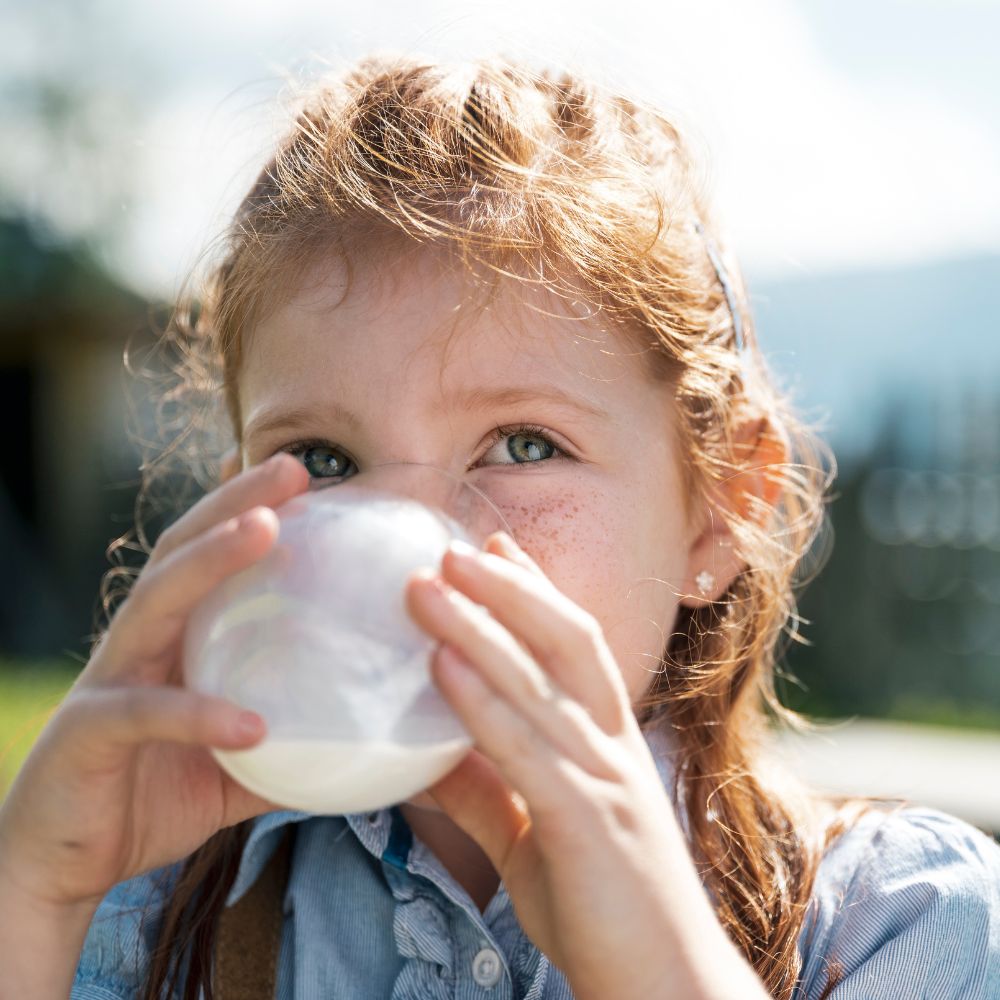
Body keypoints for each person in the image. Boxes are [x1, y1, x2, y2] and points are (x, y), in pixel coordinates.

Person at [1, 52, 998, 1000]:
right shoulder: (143, 913)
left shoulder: (897, 919)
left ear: (720, 503)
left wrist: (660, 959)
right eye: (322, 461)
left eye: (521, 445)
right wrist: (36, 894)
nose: (406, 534)